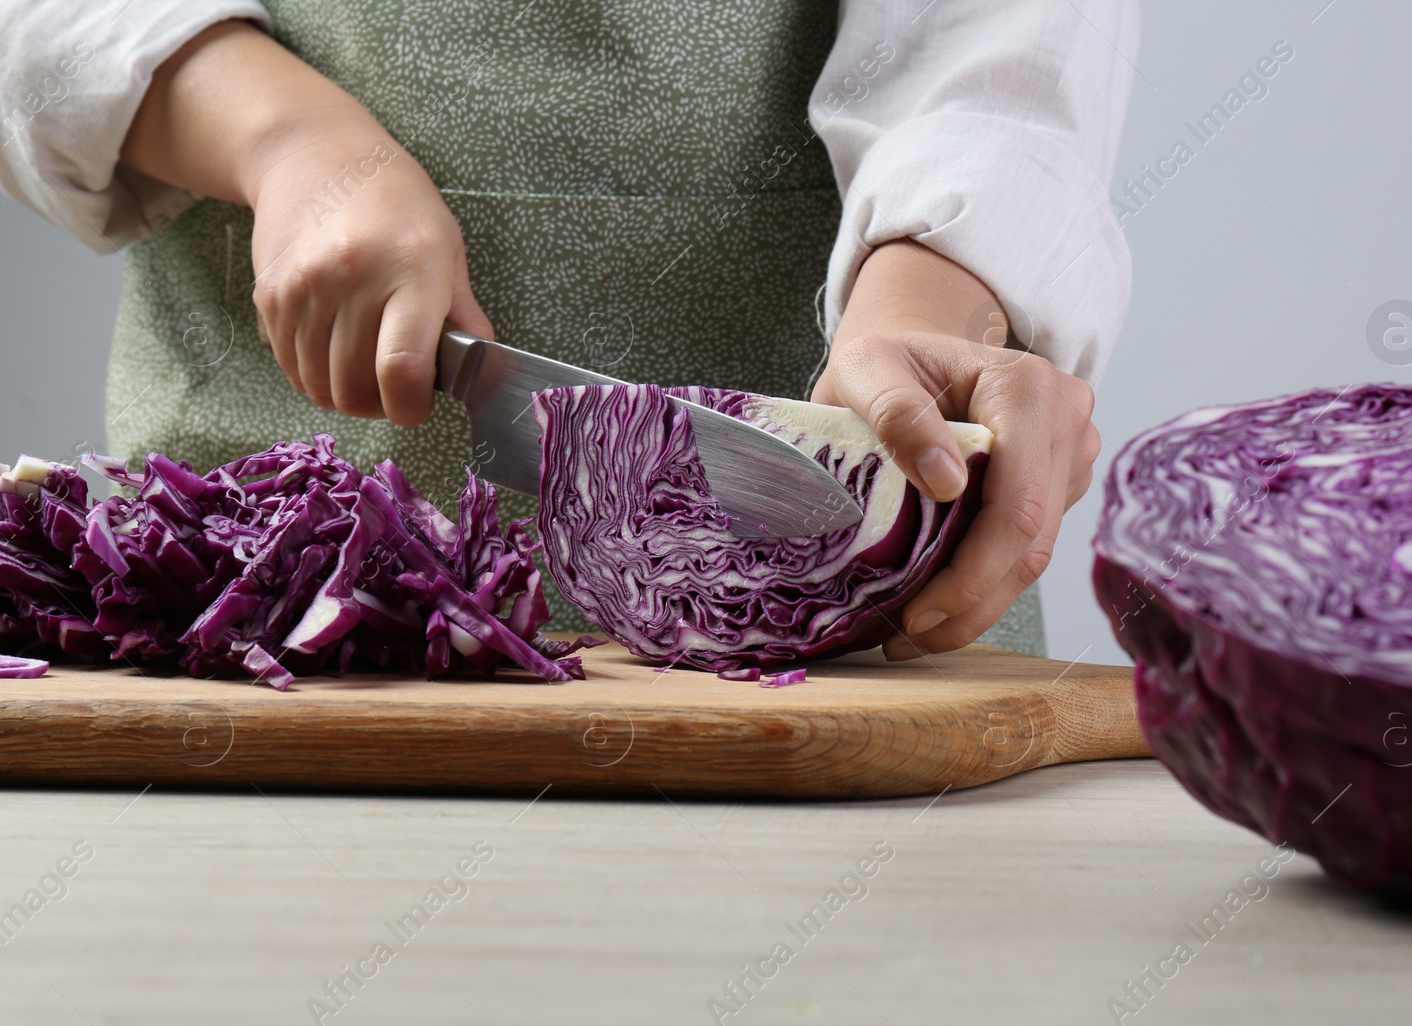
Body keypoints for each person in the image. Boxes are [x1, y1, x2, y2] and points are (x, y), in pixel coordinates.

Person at [0, 0, 1135, 660]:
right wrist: (285, 139)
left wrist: (931, 308)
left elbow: (1001, 57)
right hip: (271, 650)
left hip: (849, 687)